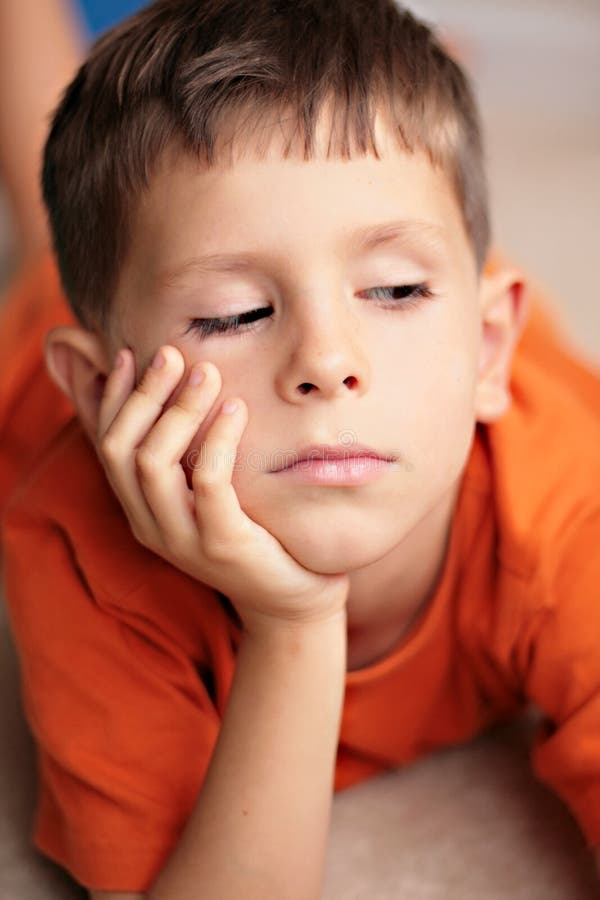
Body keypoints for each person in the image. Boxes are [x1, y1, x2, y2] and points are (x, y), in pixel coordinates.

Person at [1, 0, 599, 896]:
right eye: (234, 315)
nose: (326, 361)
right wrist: (295, 623)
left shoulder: (567, 510)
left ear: (487, 350)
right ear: (97, 393)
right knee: (53, 229)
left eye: (394, 292)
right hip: (49, 336)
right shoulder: (78, 550)